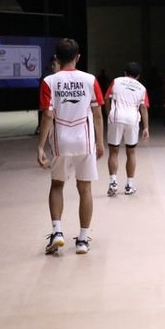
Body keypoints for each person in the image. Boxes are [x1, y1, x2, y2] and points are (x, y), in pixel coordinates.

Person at [37, 38, 105, 255]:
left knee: (57, 185)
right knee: (85, 189)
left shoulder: (49, 81)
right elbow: (97, 113)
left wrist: (40, 146)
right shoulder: (90, 80)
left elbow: (48, 114)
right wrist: (100, 142)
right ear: (78, 57)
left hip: (61, 141)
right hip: (85, 140)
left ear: (56, 58)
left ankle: (57, 233)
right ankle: (83, 240)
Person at [104, 62, 150, 196]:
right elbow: (143, 108)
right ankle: (129, 185)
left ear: (125, 72)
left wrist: (109, 114)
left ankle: (113, 183)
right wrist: (146, 127)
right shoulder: (142, 88)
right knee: (131, 153)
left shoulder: (116, 81)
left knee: (113, 152)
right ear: (138, 76)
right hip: (132, 120)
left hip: (116, 117)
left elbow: (107, 98)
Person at [36, 55, 60, 135]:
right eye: (51, 65)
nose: (52, 67)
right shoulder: (47, 78)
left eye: (54, 65)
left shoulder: (65, 77)